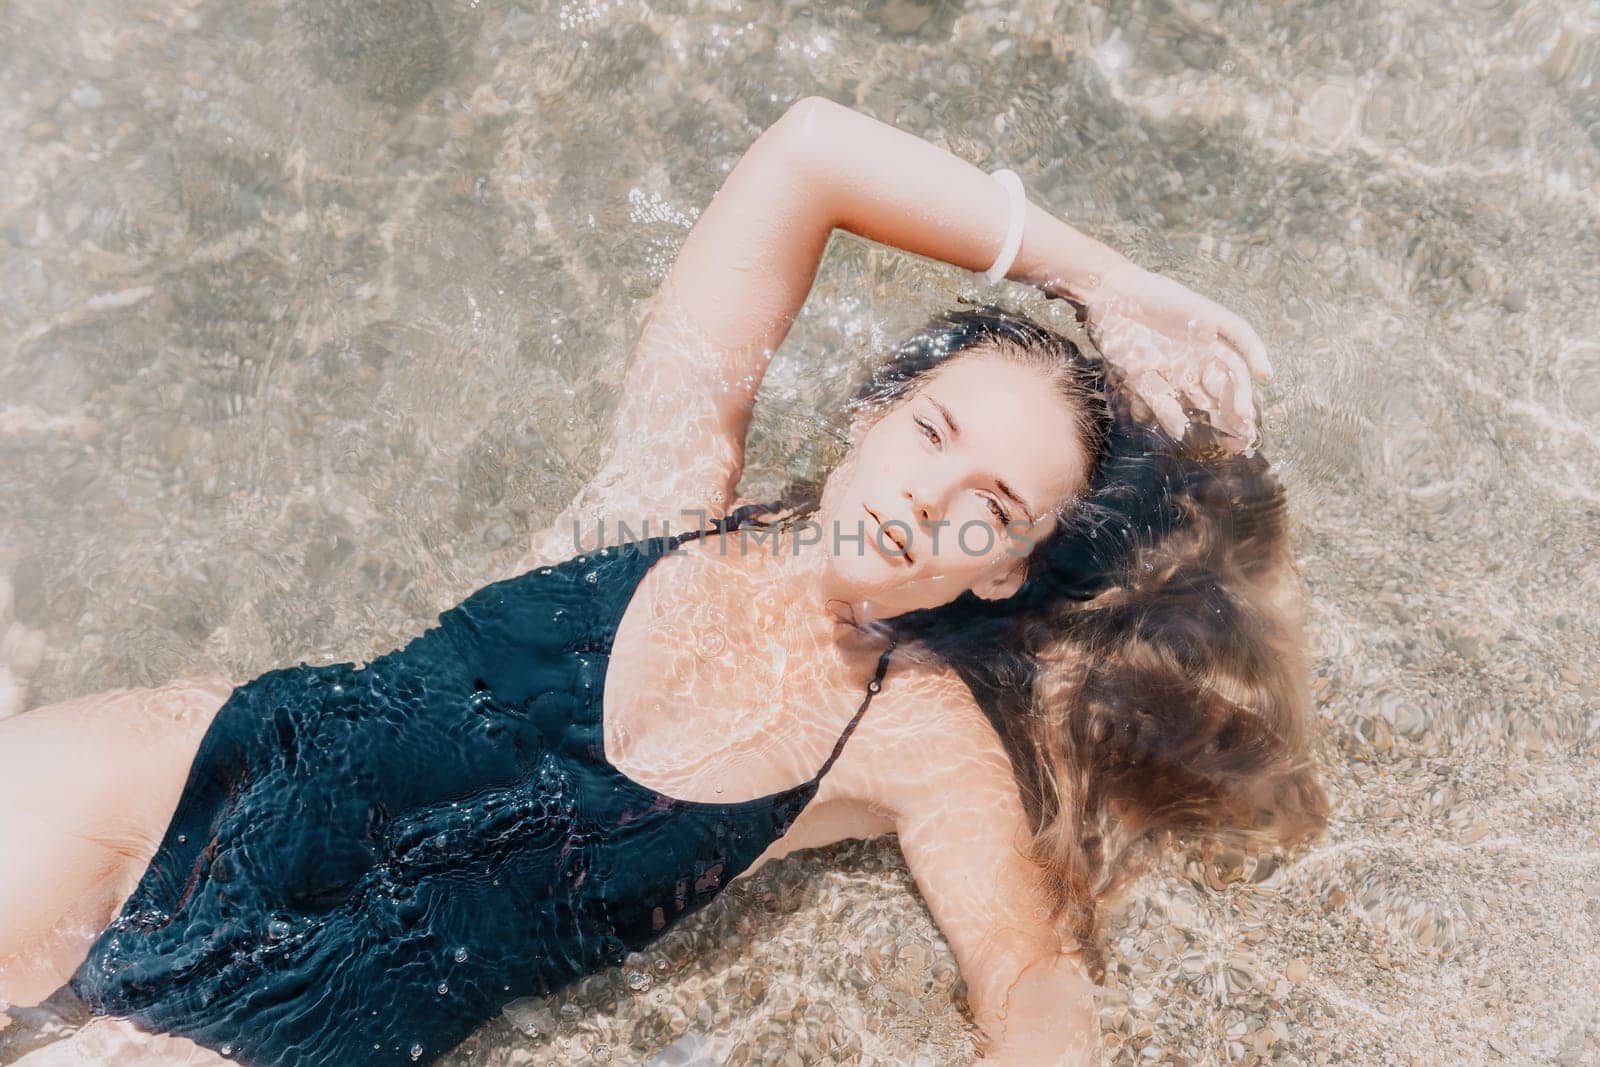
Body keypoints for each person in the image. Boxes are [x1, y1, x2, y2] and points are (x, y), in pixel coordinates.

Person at [0, 96, 1324, 1066]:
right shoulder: (664, 495)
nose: (931, 499)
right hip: (182, 783)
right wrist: (1096, 278)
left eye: (991, 510)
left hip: (297, 1027)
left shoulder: (918, 740)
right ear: (874, 411)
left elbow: (1028, 974)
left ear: (1013, 573)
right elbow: (807, 154)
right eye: (932, 434)